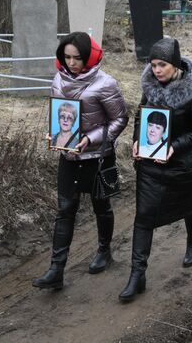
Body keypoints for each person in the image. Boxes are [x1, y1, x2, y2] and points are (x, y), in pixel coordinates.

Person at [33, 31, 128, 290]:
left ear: (87, 57)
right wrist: (54, 133)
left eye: (77, 58)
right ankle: (56, 269)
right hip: (69, 156)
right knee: (65, 210)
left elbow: (120, 120)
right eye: (67, 57)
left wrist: (91, 139)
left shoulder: (106, 83)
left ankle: (104, 251)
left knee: (101, 206)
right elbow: (60, 113)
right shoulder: (58, 79)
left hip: (97, 156)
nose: (71, 63)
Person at [120, 38, 192, 303]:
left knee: (190, 207)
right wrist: (137, 140)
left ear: (174, 65)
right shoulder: (149, 89)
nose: (157, 70)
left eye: (162, 65)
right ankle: (137, 274)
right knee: (144, 216)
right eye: (153, 65)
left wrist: (175, 146)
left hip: (183, 166)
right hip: (150, 167)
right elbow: (141, 116)